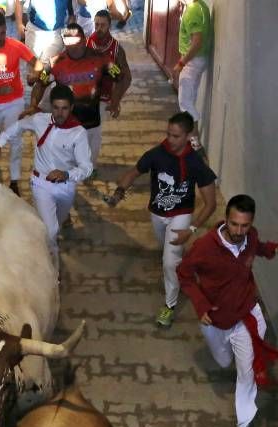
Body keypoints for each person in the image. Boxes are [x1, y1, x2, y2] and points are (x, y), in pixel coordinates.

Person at [178, 194, 278, 427]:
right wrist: (201, 305)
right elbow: (184, 274)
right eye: (234, 224)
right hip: (215, 320)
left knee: (246, 373)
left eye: (245, 225)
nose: (239, 231)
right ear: (226, 220)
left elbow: (257, 247)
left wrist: (275, 248)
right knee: (223, 360)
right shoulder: (204, 248)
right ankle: (230, 354)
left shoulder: (250, 237)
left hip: (245, 315)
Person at [106, 111, 217, 328]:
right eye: (169, 134)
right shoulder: (156, 154)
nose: (170, 140)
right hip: (157, 214)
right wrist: (118, 193)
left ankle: (169, 305)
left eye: (176, 136)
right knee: (168, 253)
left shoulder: (196, 163)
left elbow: (211, 203)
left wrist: (192, 228)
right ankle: (181, 266)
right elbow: (133, 173)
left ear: (187, 136)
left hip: (181, 215)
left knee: (168, 262)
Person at [0, 83, 92, 264]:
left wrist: (66, 174)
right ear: (51, 106)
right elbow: (18, 126)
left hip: (66, 187)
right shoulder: (39, 120)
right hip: (41, 184)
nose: (60, 113)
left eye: (65, 108)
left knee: (55, 226)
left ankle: (47, 243)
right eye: (56, 108)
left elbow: (86, 167)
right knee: (49, 231)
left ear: (71, 108)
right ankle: (53, 268)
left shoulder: (78, 133)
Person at [31, 22, 127, 170]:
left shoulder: (102, 60)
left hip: (92, 122)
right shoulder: (55, 62)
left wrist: (115, 101)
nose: (71, 46)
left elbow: (121, 78)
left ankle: (89, 169)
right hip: (65, 123)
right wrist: (33, 105)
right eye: (67, 41)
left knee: (90, 154)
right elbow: (40, 83)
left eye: (75, 41)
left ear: (84, 40)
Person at [0, 11, 43, 195]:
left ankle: (14, 180)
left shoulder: (15, 46)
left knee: (16, 140)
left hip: (15, 101)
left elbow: (38, 64)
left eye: (2, 33)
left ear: (6, 30)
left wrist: (36, 74)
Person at [85, 9, 132, 165]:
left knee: (94, 132)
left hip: (103, 97)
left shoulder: (117, 49)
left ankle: (91, 165)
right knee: (83, 132)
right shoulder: (86, 44)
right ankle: (83, 162)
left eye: (103, 25)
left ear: (109, 26)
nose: (99, 28)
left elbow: (126, 78)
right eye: (96, 24)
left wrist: (115, 101)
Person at [172, 0, 211, 147]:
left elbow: (196, 42)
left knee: (185, 102)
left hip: (192, 62)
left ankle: (194, 143)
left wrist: (180, 64)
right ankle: (191, 140)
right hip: (198, 60)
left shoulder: (193, 10)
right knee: (190, 99)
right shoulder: (201, 6)